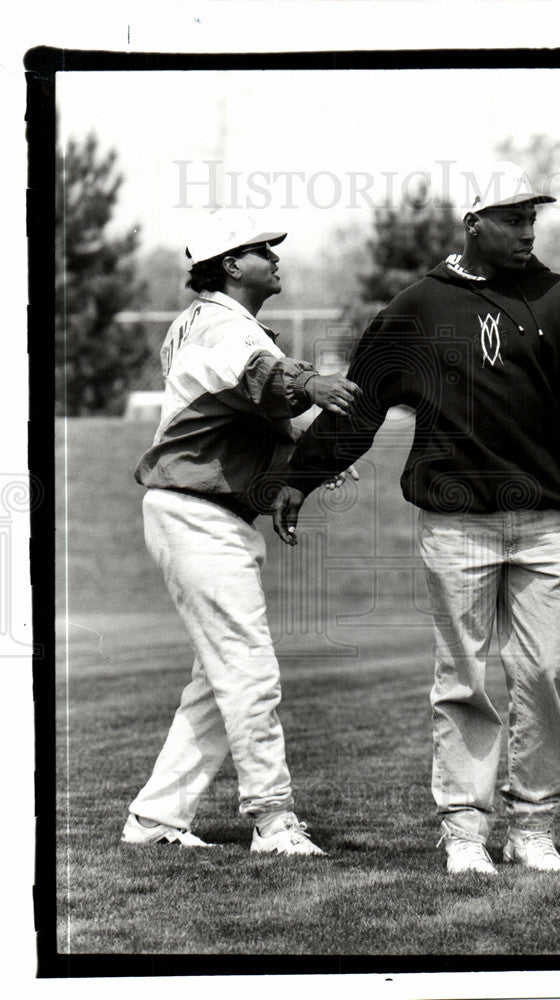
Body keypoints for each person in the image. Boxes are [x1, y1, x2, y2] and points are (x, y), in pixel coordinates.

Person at [273, 162, 560, 875]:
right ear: (473, 223)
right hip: (454, 527)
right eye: (511, 216)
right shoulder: (418, 307)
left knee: (544, 675)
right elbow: (362, 404)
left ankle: (532, 829)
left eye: (532, 216)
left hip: (544, 525)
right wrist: (300, 478)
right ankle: (465, 833)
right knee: (462, 678)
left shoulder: (557, 298)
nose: (527, 228)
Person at [122, 209, 360, 855]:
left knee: (217, 680)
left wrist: (305, 461)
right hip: (195, 515)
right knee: (249, 673)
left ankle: (155, 818)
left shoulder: (227, 325)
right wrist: (310, 382)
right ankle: (273, 819)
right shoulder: (216, 325)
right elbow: (258, 375)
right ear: (230, 263)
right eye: (262, 250)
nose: (275, 259)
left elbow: (254, 409)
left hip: (205, 514)